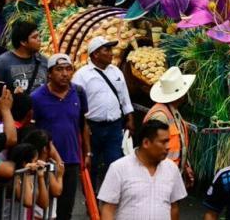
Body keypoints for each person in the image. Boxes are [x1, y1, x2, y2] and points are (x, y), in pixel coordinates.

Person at [30, 54, 90, 220]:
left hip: (71, 161)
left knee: (65, 211)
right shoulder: (36, 98)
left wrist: (87, 153)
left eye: (68, 69)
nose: (65, 73)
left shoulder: (78, 92)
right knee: (44, 212)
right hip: (46, 163)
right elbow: (31, 130)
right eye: (59, 69)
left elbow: (83, 124)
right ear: (49, 73)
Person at [71, 36, 134, 188]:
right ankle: (92, 201)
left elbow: (124, 98)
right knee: (91, 164)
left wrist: (130, 118)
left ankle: (110, 200)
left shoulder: (116, 72)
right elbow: (76, 105)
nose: (111, 53)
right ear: (95, 54)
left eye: (111, 49)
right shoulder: (82, 75)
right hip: (92, 129)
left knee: (115, 164)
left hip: (114, 127)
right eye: (107, 50)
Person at [98, 120, 186, 220]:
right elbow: (108, 209)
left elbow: (174, 207)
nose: (168, 147)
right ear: (146, 143)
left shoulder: (172, 169)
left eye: (168, 141)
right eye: (163, 142)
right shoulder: (118, 168)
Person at [143, 67, 196, 188]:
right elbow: (150, 151)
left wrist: (185, 166)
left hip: (170, 174)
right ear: (180, 96)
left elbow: (179, 142)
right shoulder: (160, 116)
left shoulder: (173, 111)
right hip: (160, 177)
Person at [0, 20, 47, 93]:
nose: (39, 40)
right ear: (23, 42)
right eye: (34, 37)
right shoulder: (1, 63)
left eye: (39, 36)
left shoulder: (43, 61)